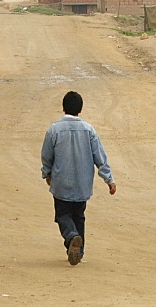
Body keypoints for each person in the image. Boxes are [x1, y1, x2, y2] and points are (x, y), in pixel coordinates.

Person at [41, 91, 116, 266]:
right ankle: (78, 250)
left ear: (63, 107)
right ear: (80, 110)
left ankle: (71, 237)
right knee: (79, 215)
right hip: (83, 184)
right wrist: (109, 179)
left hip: (61, 183)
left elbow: (47, 156)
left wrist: (47, 173)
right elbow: (100, 157)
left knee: (63, 215)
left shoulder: (54, 130)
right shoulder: (89, 130)